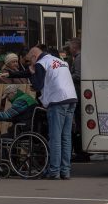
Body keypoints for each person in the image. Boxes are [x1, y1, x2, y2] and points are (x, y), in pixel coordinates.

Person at [27, 44, 77, 180]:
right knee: (66, 137)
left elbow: (37, 85)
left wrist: (32, 73)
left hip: (57, 101)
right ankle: (65, 171)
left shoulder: (40, 63)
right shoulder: (60, 61)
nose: (30, 64)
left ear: (34, 56)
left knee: (55, 138)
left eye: (29, 61)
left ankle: (54, 171)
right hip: (71, 98)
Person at [67, 37, 90, 162]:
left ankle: (82, 152)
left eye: (70, 47)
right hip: (78, 93)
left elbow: (78, 75)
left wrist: (66, 76)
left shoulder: (79, 58)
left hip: (78, 93)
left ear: (75, 47)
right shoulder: (79, 58)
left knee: (79, 123)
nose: (69, 49)